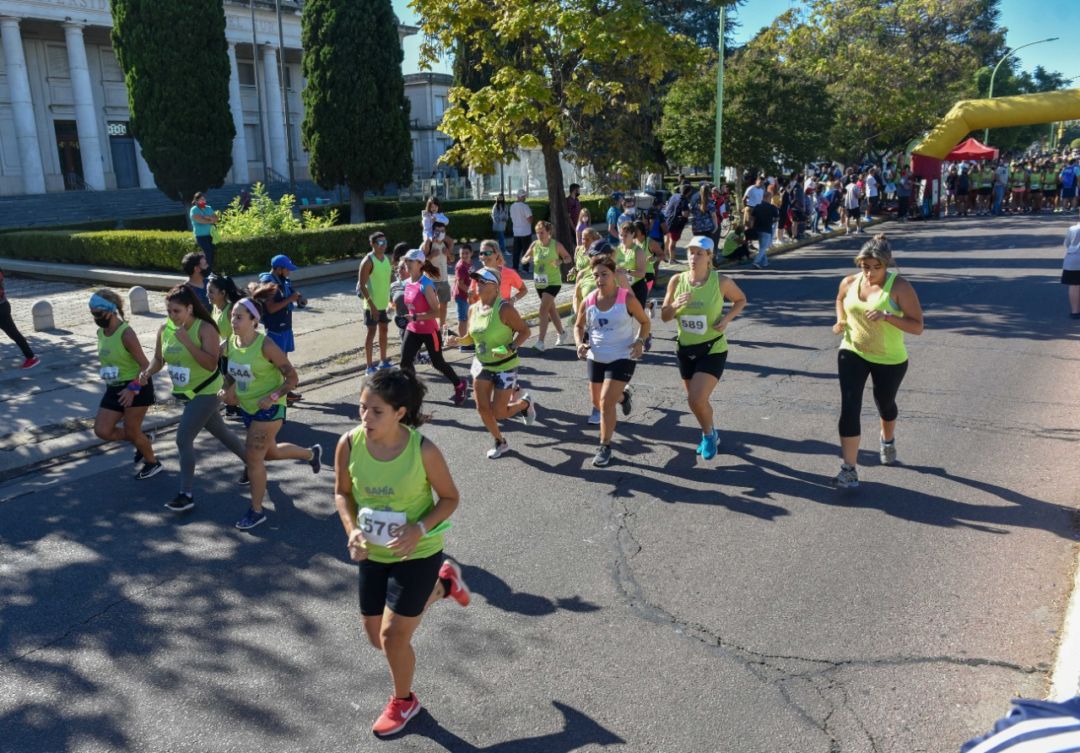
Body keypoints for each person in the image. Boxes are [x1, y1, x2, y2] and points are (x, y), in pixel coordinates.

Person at [333, 368, 470, 737]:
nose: (365, 418)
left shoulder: (423, 450)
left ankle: (404, 701)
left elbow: (451, 498)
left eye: (376, 411)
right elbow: (342, 493)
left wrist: (419, 528)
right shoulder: (348, 443)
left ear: (400, 412)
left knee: (394, 638)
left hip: (418, 551)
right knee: (376, 637)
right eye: (362, 408)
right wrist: (353, 530)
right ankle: (443, 586)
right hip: (373, 553)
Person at [221, 285, 323, 530]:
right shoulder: (228, 344)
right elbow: (231, 374)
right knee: (271, 452)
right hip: (248, 407)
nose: (233, 320)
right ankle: (310, 454)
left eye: (238, 316)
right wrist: (227, 391)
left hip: (271, 407)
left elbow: (292, 378)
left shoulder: (266, 346)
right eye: (232, 315)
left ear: (254, 321)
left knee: (254, 457)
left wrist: (273, 395)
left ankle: (256, 511)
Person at [139, 284, 247, 512]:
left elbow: (210, 364)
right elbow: (159, 359)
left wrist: (188, 342)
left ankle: (186, 494)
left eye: (176, 311)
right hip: (188, 394)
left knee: (183, 439)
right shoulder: (165, 329)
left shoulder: (205, 329)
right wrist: (148, 371)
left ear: (189, 308)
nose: (172, 316)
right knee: (223, 433)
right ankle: (254, 464)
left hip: (209, 391)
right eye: (169, 311)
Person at [831, 234, 924, 489]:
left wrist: (887, 317)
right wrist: (841, 320)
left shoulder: (900, 287)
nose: (870, 273)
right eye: (865, 267)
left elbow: (917, 327)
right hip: (852, 351)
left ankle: (887, 439)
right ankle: (849, 469)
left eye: (876, 268)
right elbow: (840, 299)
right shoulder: (850, 282)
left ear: (887, 264)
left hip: (889, 359)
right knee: (850, 406)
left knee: (885, 404)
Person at [660, 236, 747, 459]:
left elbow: (740, 300)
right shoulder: (677, 281)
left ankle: (708, 436)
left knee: (696, 399)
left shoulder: (720, 281)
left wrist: (727, 319)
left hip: (712, 348)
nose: (693, 257)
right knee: (696, 402)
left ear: (710, 257)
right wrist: (675, 305)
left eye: (699, 253)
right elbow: (664, 317)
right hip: (685, 350)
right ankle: (711, 431)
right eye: (691, 252)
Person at [574, 256, 650, 467]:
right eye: (596, 275)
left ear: (614, 274)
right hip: (596, 357)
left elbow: (645, 322)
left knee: (605, 403)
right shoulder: (588, 300)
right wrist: (579, 343)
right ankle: (623, 395)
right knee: (596, 402)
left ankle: (605, 447)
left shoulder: (626, 299)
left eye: (604, 274)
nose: (600, 279)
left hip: (622, 356)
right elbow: (578, 326)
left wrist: (640, 342)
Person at [90, 289, 160, 479]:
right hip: (114, 388)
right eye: (92, 313)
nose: (95, 317)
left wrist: (132, 389)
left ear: (111, 310)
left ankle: (153, 463)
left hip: (136, 387)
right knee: (102, 431)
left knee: (132, 429)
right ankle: (142, 440)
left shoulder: (126, 334)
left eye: (98, 313)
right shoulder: (101, 332)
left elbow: (146, 366)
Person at [467, 268, 535, 458]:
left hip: (505, 366)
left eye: (482, 281)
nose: (477, 284)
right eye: (476, 281)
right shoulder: (473, 308)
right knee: (482, 408)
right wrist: (457, 341)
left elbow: (525, 332)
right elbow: (470, 337)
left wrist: (508, 349)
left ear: (495, 287)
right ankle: (500, 442)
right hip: (482, 364)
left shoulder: (504, 308)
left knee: (499, 413)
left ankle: (525, 403)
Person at [399, 249, 468, 405]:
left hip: (429, 331)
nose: (407, 263)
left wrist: (417, 317)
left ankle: (459, 384)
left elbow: (437, 312)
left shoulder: (426, 284)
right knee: (405, 362)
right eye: (406, 260)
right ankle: (413, 392)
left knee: (438, 363)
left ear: (420, 264)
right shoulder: (407, 283)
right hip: (413, 329)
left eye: (411, 261)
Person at [259, 254, 305, 402]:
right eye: (287, 269)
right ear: (279, 269)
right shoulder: (268, 283)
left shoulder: (284, 280)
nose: (289, 272)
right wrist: (290, 299)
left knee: (284, 361)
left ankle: (286, 391)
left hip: (285, 327)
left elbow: (292, 294)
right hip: (275, 329)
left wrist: (299, 299)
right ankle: (277, 395)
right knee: (276, 363)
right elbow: (271, 308)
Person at [521, 220, 573, 351]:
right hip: (539, 283)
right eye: (537, 233)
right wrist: (526, 259)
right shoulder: (534, 245)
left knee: (543, 310)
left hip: (553, 282)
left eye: (542, 232)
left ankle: (540, 342)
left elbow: (568, 258)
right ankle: (562, 333)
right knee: (551, 310)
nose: (539, 235)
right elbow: (523, 258)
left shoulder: (556, 245)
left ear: (549, 232)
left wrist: (559, 261)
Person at [207, 273, 244, 419]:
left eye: (211, 292)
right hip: (222, 353)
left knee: (233, 380)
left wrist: (226, 341)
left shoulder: (230, 310)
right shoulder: (216, 308)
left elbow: (240, 331)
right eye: (207, 291)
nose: (208, 295)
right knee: (227, 380)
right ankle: (231, 408)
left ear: (223, 293)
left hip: (234, 353)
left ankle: (232, 408)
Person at [358, 231, 394, 375]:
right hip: (371, 306)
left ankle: (383, 361)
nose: (383, 245)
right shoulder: (367, 261)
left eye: (385, 242)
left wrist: (391, 299)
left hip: (384, 304)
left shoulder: (386, 259)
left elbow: (389, 280)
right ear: (372, 244)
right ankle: (369, 366)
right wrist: (371, 305)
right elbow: (362, 285)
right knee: (371, 333)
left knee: (384, 331)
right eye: (379, 242)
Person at [0, 266, 39, 369]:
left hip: (1, 308)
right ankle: (31, 357)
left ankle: (31, 357)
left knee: (14, 334)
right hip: (3, 306)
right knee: (14, 333)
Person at [468, 239, 527, 306]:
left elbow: (524, 290)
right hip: (484, 315)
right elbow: (472, 303)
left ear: (496, 254)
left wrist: (513, 300)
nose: (483, 256)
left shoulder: (509, 273)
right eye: (481, 253)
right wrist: (470, 297)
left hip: (503, 314)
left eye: (487, 253)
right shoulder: (477, 275)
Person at [617, 221, 649, 309]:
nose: (623, 238)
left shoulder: (638, 251)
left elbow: (642, 273)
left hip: (637, 286)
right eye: (621, 235)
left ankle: (650, 305)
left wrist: (627, 271)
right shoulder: (618, 249)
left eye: (625, 235)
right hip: (622, 287)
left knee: (638, 316)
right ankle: (650, 305)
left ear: (633, 234)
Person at [453, 243, 475, 351]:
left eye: (467, 253)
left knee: (468, 318)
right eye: (462, 253)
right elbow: (460, 284)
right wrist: (470, 291)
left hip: (468, 295)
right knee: (463, 319)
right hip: (461, 296)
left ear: (471, 253)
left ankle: (467, 340)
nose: (464, 255)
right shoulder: (460, 266)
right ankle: (463, 344)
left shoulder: (470, 263)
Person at [189, 191, 219, 270]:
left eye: (204, 199)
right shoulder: (194, 209)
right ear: (196, 200)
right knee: (207, 252)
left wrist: (206, 217)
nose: (203, 201)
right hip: (201, 236)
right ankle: (206, 271)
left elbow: (216, 218)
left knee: (212, 252)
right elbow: (199, 220)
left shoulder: (208, 208)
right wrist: (210, 219)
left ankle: (210, 270)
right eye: (201, 199)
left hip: (211, 235)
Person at [749, 196, 779, 269]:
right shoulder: (772, 207)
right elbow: (777, 218)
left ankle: (765, 262)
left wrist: (751, 227)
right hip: (767, 229)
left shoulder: (757, 206)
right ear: (768, 198)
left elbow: (752, 218)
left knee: (762, 247)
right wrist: (771, 222)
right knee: (763, 248)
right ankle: (756, 261)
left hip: (757, 229)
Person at [1062, 209, 1080, 319]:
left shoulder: (1072, 229)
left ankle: (1075, 311)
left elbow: (1067, 244)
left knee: (1074, 285)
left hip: (1073, 259)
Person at [509, 189, 534, 271]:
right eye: (524, 196)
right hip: (525, 232)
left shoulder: (512, 206)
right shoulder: (525, 206)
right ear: (522, 197)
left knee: (516, 251)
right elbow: (530, 219)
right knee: (526, 251)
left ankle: (515, 267)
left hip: (516, 232)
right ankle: (525, 268)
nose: (525, 198)